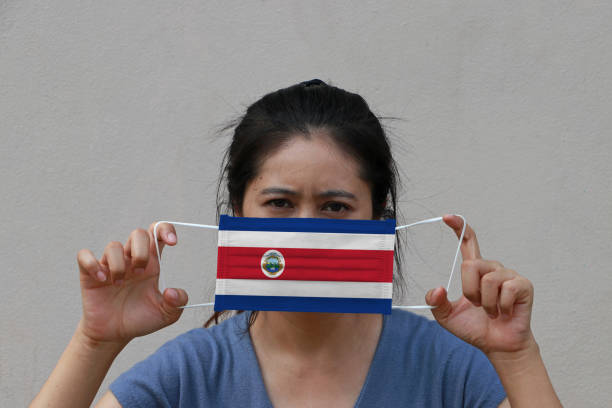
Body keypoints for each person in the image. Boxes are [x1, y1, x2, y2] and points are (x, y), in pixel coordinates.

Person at [31, 80, 562, 407]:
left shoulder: (449, 370)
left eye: (335, 207)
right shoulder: (190, 375)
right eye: (280, 204)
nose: (307, 228)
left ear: (380, 219)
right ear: (237, 215)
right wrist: (95, 342)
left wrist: (518, 357)